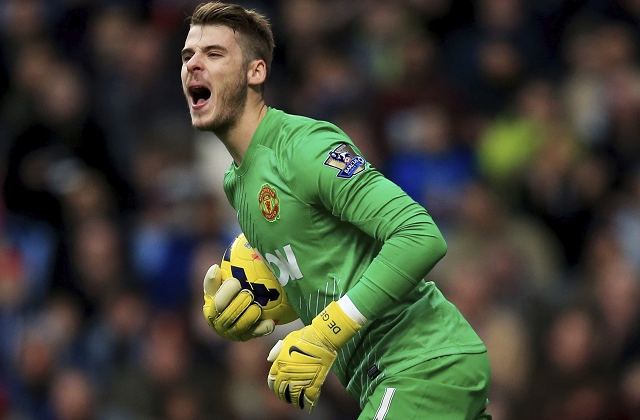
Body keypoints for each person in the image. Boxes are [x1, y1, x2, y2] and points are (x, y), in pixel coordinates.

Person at [180, 2, 491, 419]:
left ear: (256, 71)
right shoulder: (237, 184)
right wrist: (259, 304)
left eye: (214, 53)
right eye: (187, 56)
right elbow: (328, 269)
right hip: (388, 377)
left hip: (419, 362)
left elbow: (420, 235)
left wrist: (326, 333)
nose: (193, 65)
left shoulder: (303, 148)